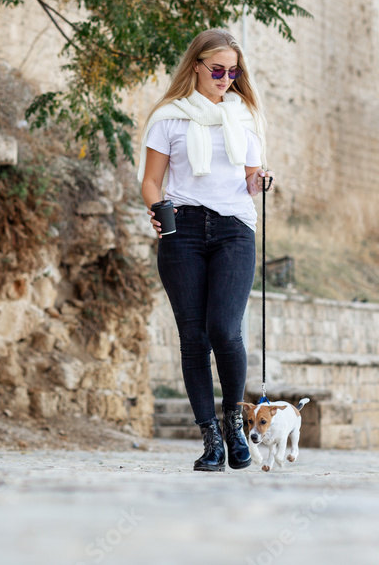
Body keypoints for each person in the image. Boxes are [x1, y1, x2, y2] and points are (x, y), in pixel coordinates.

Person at [138, 28, 274, 472]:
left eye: (234, 71)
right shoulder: (169, 118)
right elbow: (151, 181)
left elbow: (250, 179)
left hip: (235, 227)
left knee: (224, 328)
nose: (226, 78)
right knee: (193, 339)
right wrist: (158, 210)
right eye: (218, 70)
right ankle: (211, 439)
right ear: (195, 65)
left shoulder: (245, 116)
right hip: (185, 231)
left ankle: (234, 422)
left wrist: (262, 181)